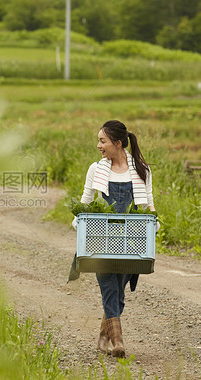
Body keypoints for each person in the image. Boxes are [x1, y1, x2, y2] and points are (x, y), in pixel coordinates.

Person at [71, 120, 156, 358]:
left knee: (118, 291)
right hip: (101, 237)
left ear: (117, 143)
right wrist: (78, 219)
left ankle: (102, 336)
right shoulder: (95, 170)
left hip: (132, 240)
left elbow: (147, 204)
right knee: (108, 283)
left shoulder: (141, 170)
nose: (98, 145)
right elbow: (86, 200)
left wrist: (153, 222)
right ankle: (118, 341)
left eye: (102, 141)